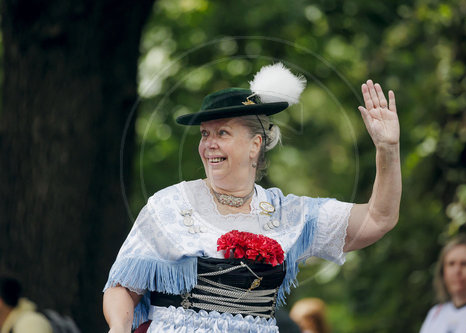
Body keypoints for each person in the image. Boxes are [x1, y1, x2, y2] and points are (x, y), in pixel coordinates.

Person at [103, 62, 401, 333]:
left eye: (222, 133)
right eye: (205, 134)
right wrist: (119, 328)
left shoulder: (288, 213)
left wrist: (387, 150)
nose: (209, 144)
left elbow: (378, 218)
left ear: (255, 145)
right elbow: (121, 287)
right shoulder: (168, 204)